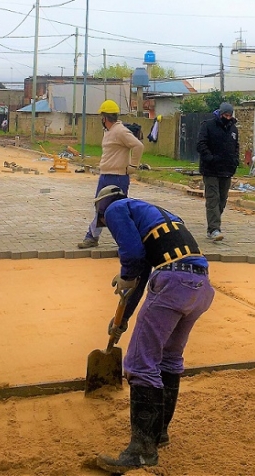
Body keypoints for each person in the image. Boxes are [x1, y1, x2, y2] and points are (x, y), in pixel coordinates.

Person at [93, 185, 214, 474]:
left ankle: (142, 451)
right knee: (168, 358)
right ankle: (158, 434)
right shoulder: (159, 217)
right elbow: (143, 272)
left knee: (139, 363)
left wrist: (125, 274)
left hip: (172, 282)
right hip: (200, 285)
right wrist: (121, 321)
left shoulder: (114, 209)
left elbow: (132, 257)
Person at [77, 100, 144, 249]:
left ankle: (128, 241)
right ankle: (92, 237)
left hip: (118, 177)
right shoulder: (109, 132)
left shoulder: (120, 131)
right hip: (106, 175)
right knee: (100, 208)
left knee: (118, 211)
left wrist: (133, 165)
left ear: (105, 118)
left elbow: (138, 146)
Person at [196, 102, 239, 241]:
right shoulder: (208, 126)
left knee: (222, 200)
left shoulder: (233, 129)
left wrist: (235, 161)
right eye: (225, 115)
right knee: (213, 199)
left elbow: (236, 147)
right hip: (211, 169)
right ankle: (214, 229)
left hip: (227, 170)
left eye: (229, 115)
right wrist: (210, 158)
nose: (227, 117)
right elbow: (201, 144)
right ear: (220, 114)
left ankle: (213, 225)